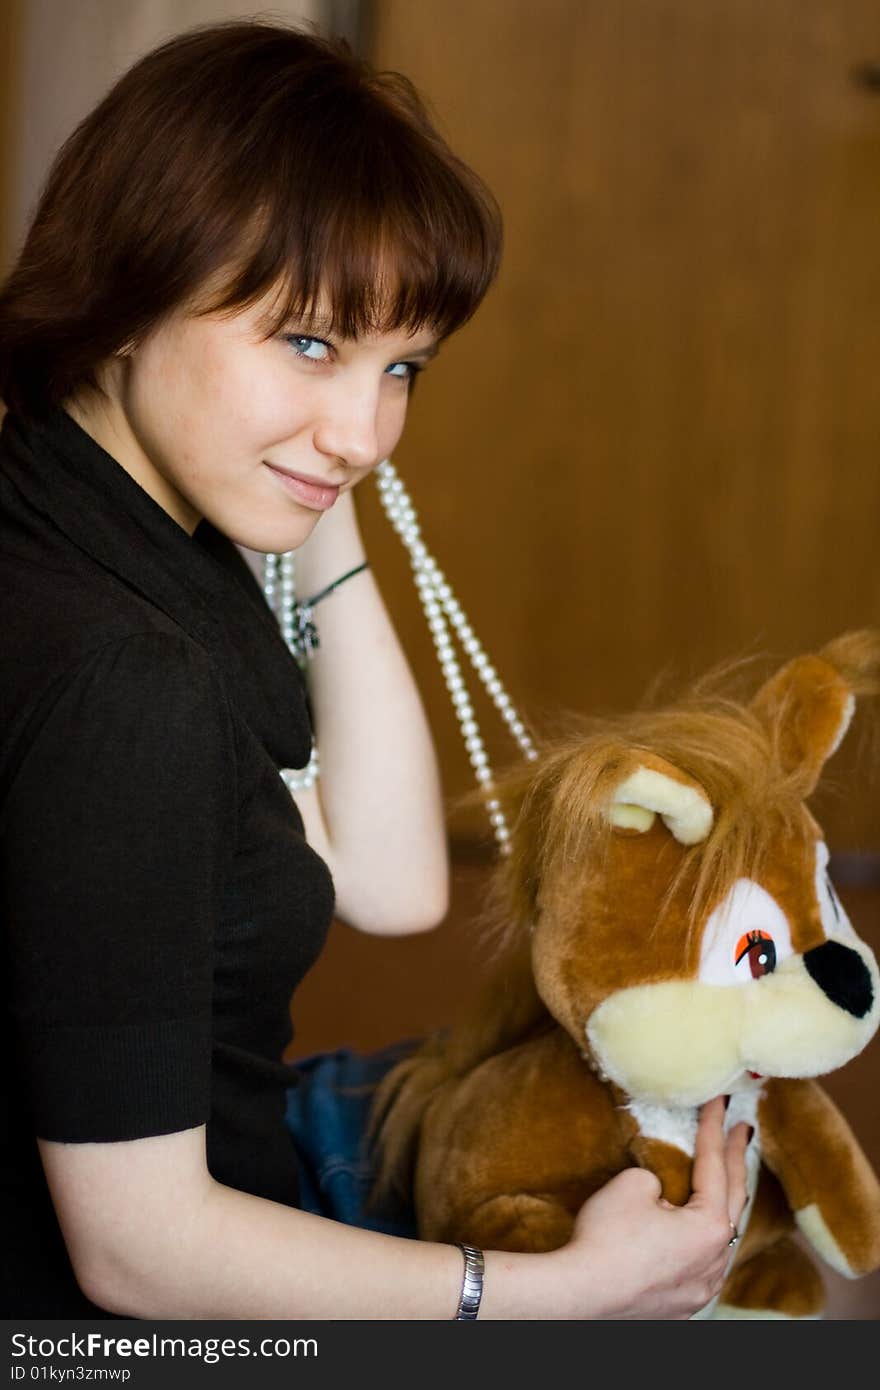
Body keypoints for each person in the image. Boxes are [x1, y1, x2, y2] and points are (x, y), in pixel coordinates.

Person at [0, 19, 748, 1319]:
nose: (367, 429)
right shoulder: (121, 671)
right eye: (307, 341)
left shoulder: (112, 522)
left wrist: (311, 476)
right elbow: (137, 1251)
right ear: (129, 289)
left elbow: (391, 884)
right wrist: (539, 1294)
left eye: (400, 365)